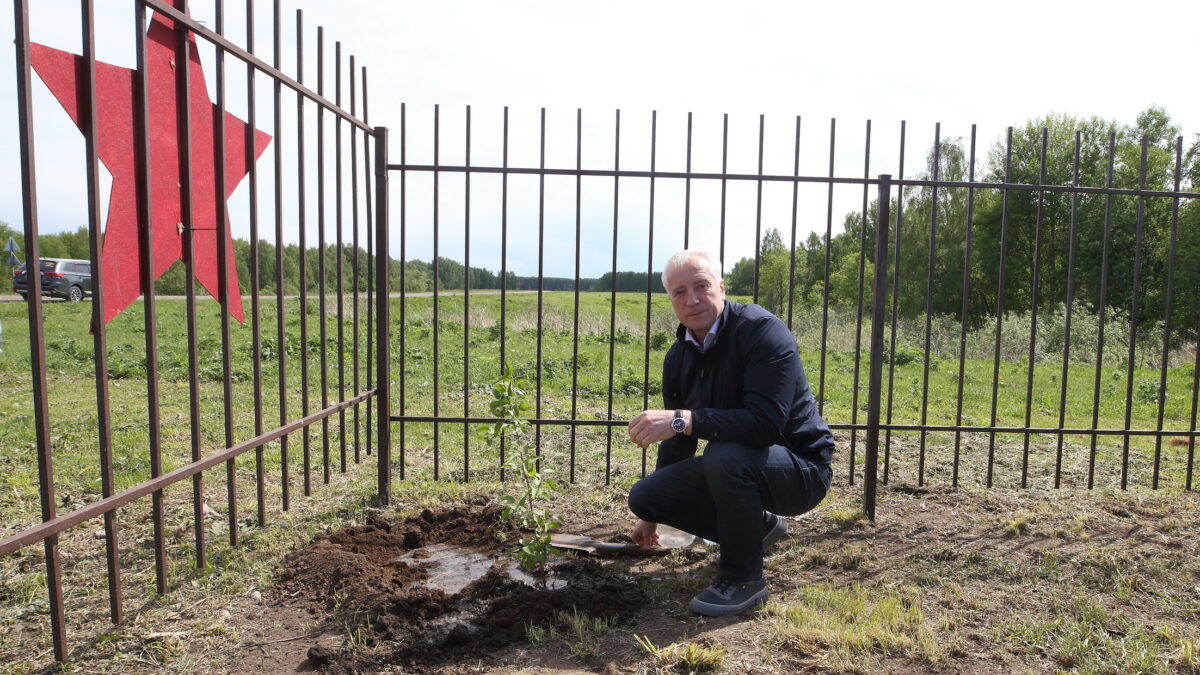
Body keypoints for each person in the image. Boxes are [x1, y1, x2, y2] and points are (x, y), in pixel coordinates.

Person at [626, 249, 834, 617]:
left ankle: (743, 579)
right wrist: (652, 513)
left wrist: (681, 419)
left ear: (721, 287)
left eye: (702, 286)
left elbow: (765, 424)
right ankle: (761, 527)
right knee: (645, 495)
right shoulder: (679, 356)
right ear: (670, 300)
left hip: (800, 468)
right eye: (679, 291)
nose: (692, 299)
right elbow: (679, 441)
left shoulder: (762, 332)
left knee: (725, 455)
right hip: (739, 463)